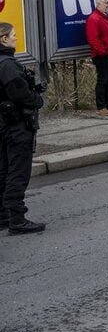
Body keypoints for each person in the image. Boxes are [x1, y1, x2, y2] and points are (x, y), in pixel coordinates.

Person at [0, 23, 46, 234]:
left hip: (4, 123)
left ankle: (4, 215)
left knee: (4, 170)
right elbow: (20, 94)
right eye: (14, 36)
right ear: (4, 39)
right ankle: (17, 219)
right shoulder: (8, 64)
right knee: (18, 172)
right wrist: (37, 99)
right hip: (16, 125)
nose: (16, 39)